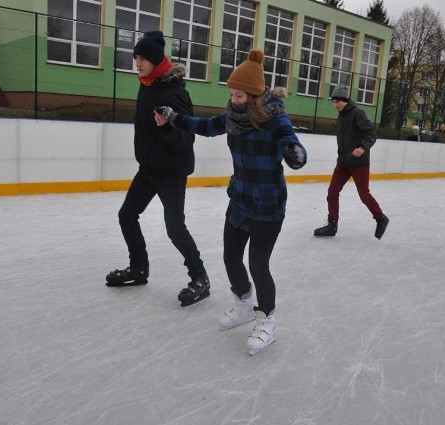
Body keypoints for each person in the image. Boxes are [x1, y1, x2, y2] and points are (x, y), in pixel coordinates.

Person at [156, 49, 307, 355]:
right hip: (239, 200)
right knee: (230, 257)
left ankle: (268, 319)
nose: (234, 100)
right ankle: (244, 302)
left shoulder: (275, 119)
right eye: (232, 94)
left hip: (267, 206)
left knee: (258, 264)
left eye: (239, 95)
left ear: (253, 95)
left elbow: (293, 144)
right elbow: (205, 126)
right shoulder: (233, 118)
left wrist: (295, 154)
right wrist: (173, 118)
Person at [105, 31, 209, 308]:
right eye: (136, 57)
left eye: (142, 58)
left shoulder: (174, 93)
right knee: (127, 215)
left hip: (172, 171)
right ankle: (138, 269)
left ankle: (200, 278)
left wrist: (166, 129)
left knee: (175, 228)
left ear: (155, 60)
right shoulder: (147, 84)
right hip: (149, 167)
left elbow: (186, 139)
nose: (137, 62)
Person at [313, 84, 389, 239]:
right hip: (343, 163)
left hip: (359, 163)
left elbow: (370, 133)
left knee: (363, 194)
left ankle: (380, 218)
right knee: (332, 192)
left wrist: (362, 147)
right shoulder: (341, 115)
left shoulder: (357, 113)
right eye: (333, 102)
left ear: (346, 100)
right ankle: (332, 224)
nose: (335, 105)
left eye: (338, 102)